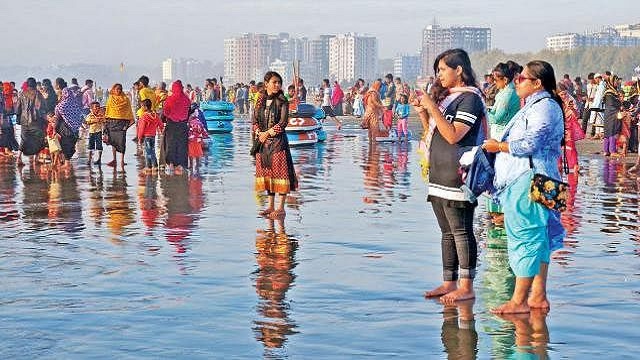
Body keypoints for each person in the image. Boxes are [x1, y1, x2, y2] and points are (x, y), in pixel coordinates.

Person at [483, 60, 565, 314]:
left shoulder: (544, 107)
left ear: (537, 83)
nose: (517, 81)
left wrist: (499, 147)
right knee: (539, 238)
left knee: (525, 237)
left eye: (522, 79)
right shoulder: (539, 105)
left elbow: (531, 143)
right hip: (545, 177)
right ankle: (537, 296)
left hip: (531, 179)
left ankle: (518, 301)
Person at [412, 49, 486, 304]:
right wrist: (425, 112)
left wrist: (432, 106)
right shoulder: (448, 98)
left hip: (459, 173)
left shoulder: (470, 99)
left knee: (461, 230)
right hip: (439, 171)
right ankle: (449, 282)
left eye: (443, 69)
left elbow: (454, 135)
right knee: (446, 232)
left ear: (459, 70)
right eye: (438, 71)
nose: (439, 75)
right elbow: (435, 133)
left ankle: (466, 286)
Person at [252, 71, 298, 219]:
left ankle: (281, 208)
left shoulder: (282, 100)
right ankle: (270, 206)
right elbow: (254, 121)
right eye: (274, 82)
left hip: (278, 143)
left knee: (281, 174)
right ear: (266, 84)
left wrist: (267, 133)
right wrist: (259, 132)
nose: (277, 85)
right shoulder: (260, 100)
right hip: (263, 144)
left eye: (279, 82)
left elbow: (283, 123)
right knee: (268, 174)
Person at [54, 77, 84, 168]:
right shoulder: (76, 103)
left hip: (65, 127)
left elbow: (57, 115)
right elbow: (80, 114)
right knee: (71, 144)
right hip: (75, 128)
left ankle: (66, 164)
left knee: (65, 144)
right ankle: (66, 162)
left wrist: (54, 127)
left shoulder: (61, 105)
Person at [16, 78, 46, 166]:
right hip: (35, 121)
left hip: (24, 121)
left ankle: (18, 158)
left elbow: (18, 108)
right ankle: (36, 159)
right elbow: (40, 107)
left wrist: (19, 119)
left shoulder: (22, 94)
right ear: (35, 85)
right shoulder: (37, 94)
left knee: (24, 139)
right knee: (39, 139)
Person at [162, 80, 191, 175]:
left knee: (170, 144)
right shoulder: (186, 99)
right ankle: (181, 166)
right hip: (183, 125)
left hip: (171, 125)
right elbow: (188, 112)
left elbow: (165, 113)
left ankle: (170, 165)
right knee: (182, 145)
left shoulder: (169, 99)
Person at [104, 83, 135, 170]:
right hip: (112, 122)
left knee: (122, 142)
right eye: (116, 89)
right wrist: (106, 122)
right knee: (113, 141)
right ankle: (114, 160)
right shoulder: (111, 98)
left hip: (122, 123)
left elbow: (129, 113)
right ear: (113, 89)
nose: (118, 91)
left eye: (120, 89)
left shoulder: (126, 99)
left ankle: (122, 160)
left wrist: (127, 126)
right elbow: (108, 110)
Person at [136, 99, 163, 174]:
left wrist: (139, 138)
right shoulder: (155, 115)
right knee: (152, 150)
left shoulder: (144, 116)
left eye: (142, 106)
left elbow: (141, 128)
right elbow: (160, 124)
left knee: (148, 152)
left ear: (144, 107)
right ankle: (155, 166)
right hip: (153, 136)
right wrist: (161, 131)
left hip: (146, 137)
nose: (141, 108)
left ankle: (149, 167)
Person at [602, 75, 622, 157]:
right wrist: (620, 103)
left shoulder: (613, 92)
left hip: (610, 113)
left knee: (608, 132)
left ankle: (607, 150)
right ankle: (612, 151)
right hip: (612, 114)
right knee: (612, 132)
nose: (617, 82)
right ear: (611, 82)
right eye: (615, 81)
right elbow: (612, 104)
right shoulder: (609, 93)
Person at [85, 101, 105, 165]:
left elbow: (105, 121)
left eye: (98, 107)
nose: (97, 108)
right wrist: (95, 120)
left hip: (99, 132)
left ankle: (99, 159)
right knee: (91, 146)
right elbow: (87, 122)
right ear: (91, 108)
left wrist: (101, 119)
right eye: (96, 107)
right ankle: (89, 159)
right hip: (91, 132)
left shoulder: (101, 115)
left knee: (99, 146)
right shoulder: (89, 115)